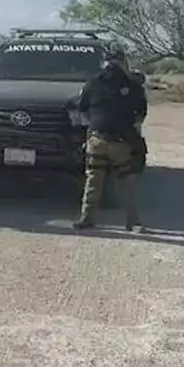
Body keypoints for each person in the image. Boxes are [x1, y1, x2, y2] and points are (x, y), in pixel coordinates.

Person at [72, 46, 148, 231]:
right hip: (121, 142)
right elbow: (141, 113)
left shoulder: (93, 82)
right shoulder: (132, 85)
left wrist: (92, 127)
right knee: (126, 182)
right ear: (123, 62)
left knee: (93, 181)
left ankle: (87, 219)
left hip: (97, 139)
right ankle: (133, 222)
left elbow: (81, 108)